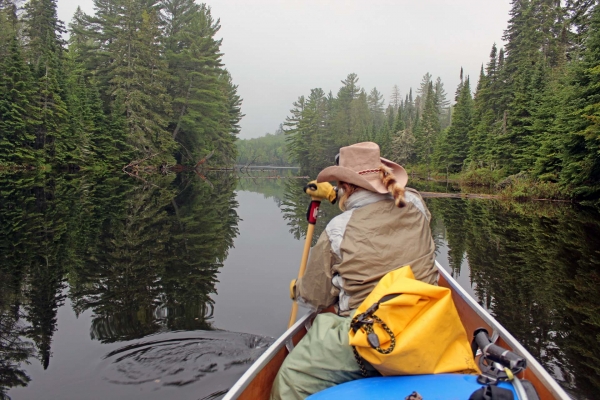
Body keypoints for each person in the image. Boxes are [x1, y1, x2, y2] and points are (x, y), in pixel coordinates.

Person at [270, 142, 437, 400]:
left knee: (291, 381)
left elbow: (317, 296)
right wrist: (339, 197)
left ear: (346, 186)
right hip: (428, 321)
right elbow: (382, 203)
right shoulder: (414, 203)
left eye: (340, 186)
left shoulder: (338, 229)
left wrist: (298, 289)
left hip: (375, 336)